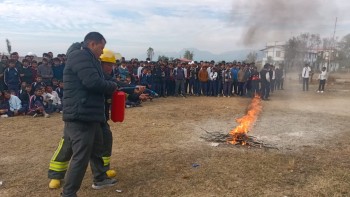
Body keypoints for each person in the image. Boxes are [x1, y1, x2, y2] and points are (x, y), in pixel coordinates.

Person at [50, 32, 118, 197]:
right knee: (81, 156)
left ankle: (100, 178)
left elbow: (103, 79)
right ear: (92, 44)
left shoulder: (90, 59)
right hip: (81, 115)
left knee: (97, 148)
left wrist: (128, 89)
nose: (102, 52)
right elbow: (93, 82)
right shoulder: (80, 56)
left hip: (91, 114)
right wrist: (113, 86)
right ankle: (68, 193)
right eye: (101, 47)